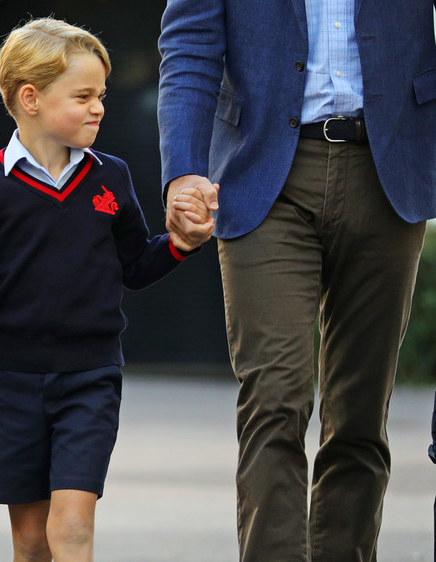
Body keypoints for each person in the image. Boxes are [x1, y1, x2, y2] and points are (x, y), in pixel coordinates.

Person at [157, 1, 436, 560]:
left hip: (389, 169)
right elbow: (189, 48)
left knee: (359, 413)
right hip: (263, 172)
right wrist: (184, 169)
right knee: (275, 397)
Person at [0, 18, 212, 562]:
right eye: (83, 96)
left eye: (100, 95)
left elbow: (136, 264)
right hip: (10, 385)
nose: (99, 107)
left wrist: (180, 243)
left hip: (91, 379)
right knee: (32, 544)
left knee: (74, 527)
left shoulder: (114, 177)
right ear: (30, 99)